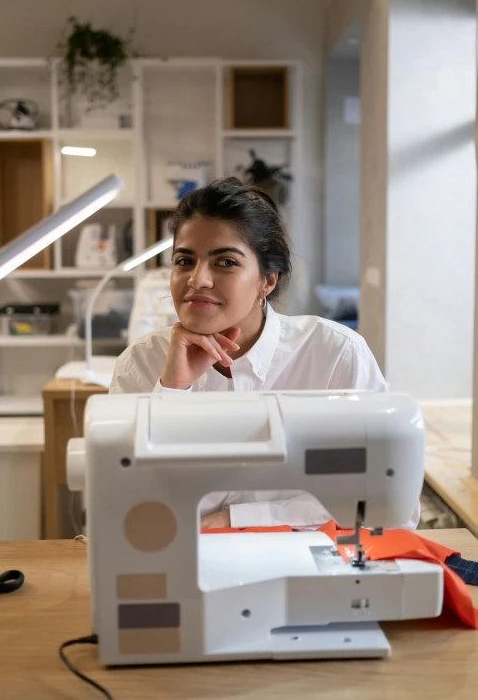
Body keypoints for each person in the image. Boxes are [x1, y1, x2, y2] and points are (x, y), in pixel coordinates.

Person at [110, 178, 419, 531]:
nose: (198, 280)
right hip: (184, 569)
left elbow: (391, 502)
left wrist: (239, 520)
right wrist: (173, 391)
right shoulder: (141, 363)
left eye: (225, 262)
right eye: (184, 260)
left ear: (267, 281)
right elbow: (124, 506)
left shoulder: (333, 354)